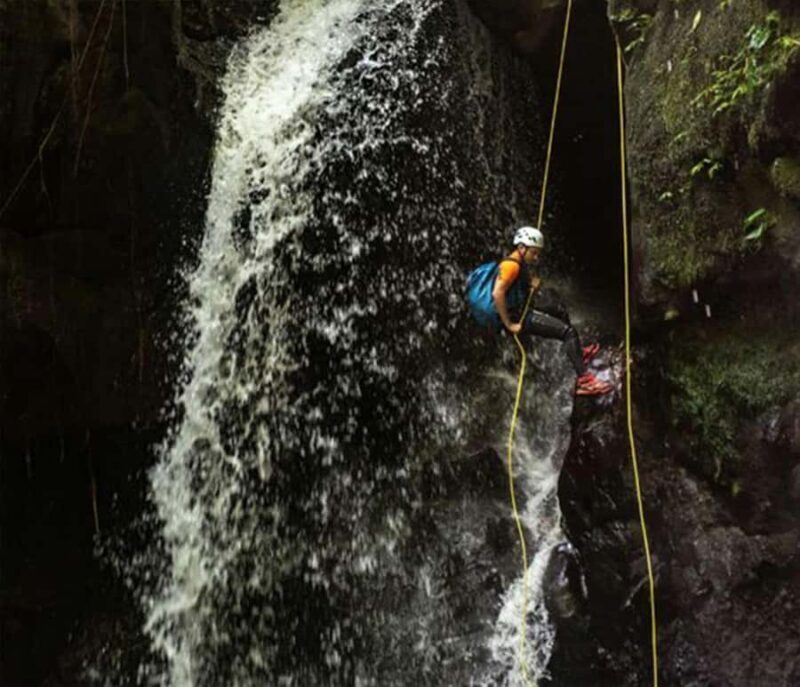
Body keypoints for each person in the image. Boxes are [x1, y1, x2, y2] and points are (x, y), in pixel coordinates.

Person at [490, 225, 612, 396]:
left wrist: (532, 285)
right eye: (534, 252)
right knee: (568, 332)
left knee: (559, 309)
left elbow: (516, 289)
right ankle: (584, 382)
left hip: (520, 308)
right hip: (517, 317)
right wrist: (509, 324)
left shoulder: (519, 263)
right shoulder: (511, 266)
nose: (536, 257)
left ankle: (577, 351)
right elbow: (497, 293)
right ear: (521, 248)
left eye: (538, 253)